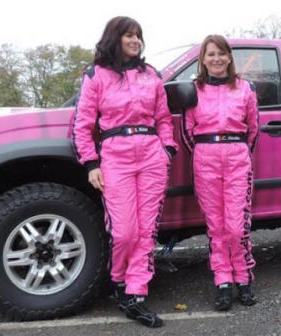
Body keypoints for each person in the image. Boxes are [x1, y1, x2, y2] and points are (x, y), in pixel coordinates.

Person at [73, 16, 177, 328]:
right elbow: (82, 124)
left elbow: (163, 118)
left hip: (151, 156)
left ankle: (135, 293)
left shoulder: (151, 75)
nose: (135, 41)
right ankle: (119, 280)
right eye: (129, 35)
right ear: (114, 38)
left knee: (146, 230)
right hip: (115, 156)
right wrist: (91, 163)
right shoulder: (96, 75)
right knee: (125, 231)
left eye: (138, 36)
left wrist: (166, 149)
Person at [182, 35, 259, 311]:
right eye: (210, 54)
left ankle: (243, 278)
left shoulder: (244, 88)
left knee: (237, 227)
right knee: (216, 227)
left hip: (238, 157)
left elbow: (253, 128)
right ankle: (223, 281)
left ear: (229, 57)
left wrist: (235, 150)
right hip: (205, 159)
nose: (216, 59)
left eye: (221, 54)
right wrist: (207, 151)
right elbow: (187, 131)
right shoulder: (194, 89)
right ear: (203, 58)